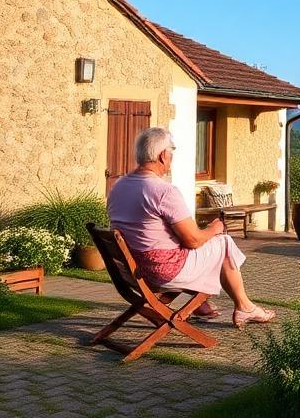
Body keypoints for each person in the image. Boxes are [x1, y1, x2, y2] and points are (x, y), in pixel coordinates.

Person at [107, 126, 275, 327]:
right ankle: (244, 307)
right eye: (172, 153)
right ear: (162, 156)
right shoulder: (162, 191)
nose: (171, 158)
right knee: (223, 243)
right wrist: (215, 228)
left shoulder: (118, 186)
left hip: (130, 270)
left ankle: (200, 305)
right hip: (161, 271)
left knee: (200, 248)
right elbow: (193, 240)